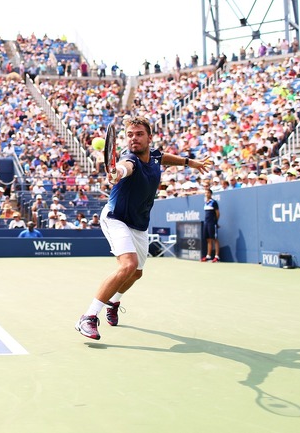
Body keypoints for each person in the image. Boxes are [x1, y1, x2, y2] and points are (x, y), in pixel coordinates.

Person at [75, 116, 212, 340]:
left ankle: (114, 302)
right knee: (128, 265)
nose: (134, 139)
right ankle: (88, 317)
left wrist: (189, 162)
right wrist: (117, 173)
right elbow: (124, 168)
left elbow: (163, 158)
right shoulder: (130, 159)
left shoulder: (155, 155)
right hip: (116, 217)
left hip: (139, 224)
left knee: (137, 273)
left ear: (149, 137)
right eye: (129, 135)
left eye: (139, 134)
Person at [201, 189, 220, 262]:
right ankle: (208, 256)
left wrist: (216, 222)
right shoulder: (206, 203)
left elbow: (217, 213)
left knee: (215, 239)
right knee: (208, 239)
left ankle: (217, 256)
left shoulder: (214, 202)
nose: (206, 194)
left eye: (208, 193)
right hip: (206, 223)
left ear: (211, 194)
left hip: (212, 223)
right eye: (205, 193)